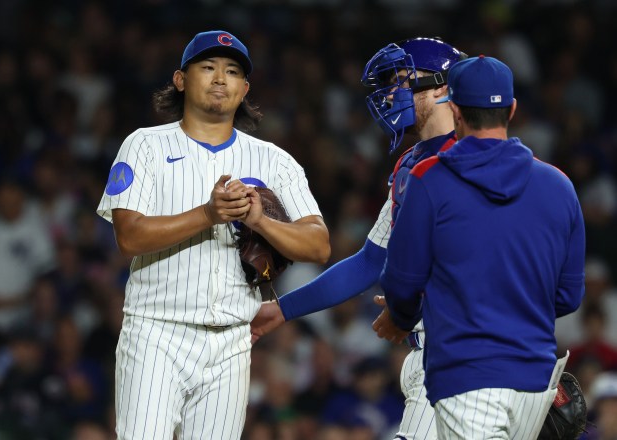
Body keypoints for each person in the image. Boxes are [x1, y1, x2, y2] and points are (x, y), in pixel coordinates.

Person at [96, 30, 330, 440]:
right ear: (181, 80)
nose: (220, 78)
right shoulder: (145, 146)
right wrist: (208, 213)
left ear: (245, 88)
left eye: (232, 71)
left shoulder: (274, 159)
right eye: (207, 67)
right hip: (156, 331)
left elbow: (318, 244)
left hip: (232, 341)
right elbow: (128, 237)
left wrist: (260, 222)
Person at [251, 37, 467, 439]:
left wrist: (408, 304)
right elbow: (370, 261)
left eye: (403, 79)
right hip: (440, 352)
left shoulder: (475, 156)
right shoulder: (411, 165)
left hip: (460, 352)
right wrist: (282, 310)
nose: (392, 93)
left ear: (442, 86)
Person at [376, 55, 586, 439]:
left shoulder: (428, 178)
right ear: (512, 109)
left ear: (454, 109)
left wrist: (404, 317)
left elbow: (401, 286)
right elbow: (569, 296)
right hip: (536, 383)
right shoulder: (559, 185)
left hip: (466, 374)